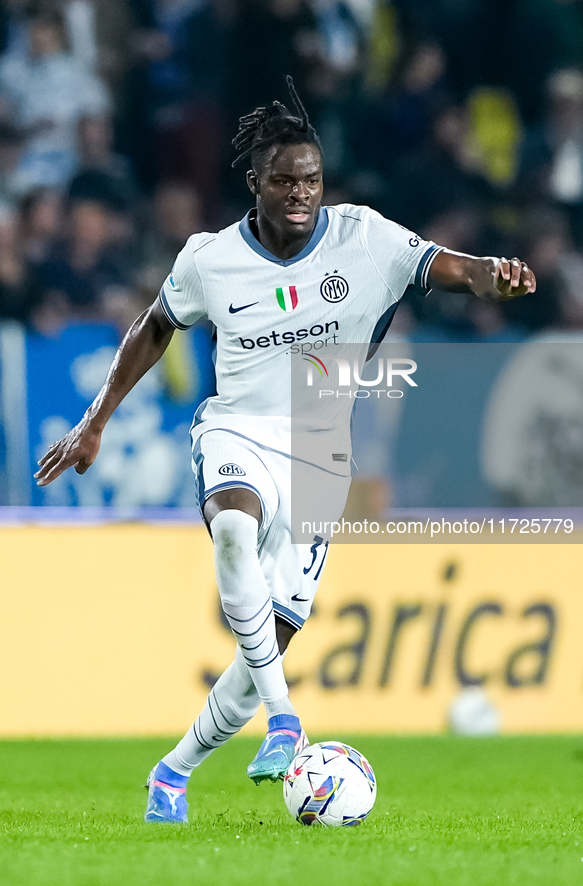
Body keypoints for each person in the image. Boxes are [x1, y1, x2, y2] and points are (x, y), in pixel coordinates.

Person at [34, 77, 536, 823]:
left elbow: (443, 266)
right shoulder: (210, 258)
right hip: (236, 429)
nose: (300, 193)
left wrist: (492, 276)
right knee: (232, 529)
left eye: (311, 180)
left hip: (319, 451)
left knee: (257, 646)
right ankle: (285, 720)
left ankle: (171, 775)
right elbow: (154, 324)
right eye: (284, 181)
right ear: (254, 184)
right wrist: (94, 420)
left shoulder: (363, 237)